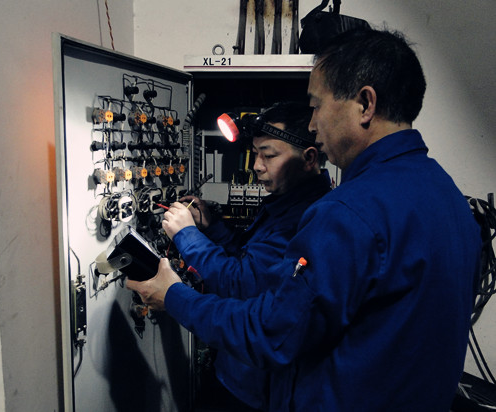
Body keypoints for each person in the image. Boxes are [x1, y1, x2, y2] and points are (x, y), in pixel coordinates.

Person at [127, 28, 481, 411]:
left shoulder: (349, 212)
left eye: (316, 105)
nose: (312, 124)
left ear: (365, 104)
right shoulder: (448, 195)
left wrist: (174, 296)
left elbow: (272, 333)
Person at [163, 102, 331, 411]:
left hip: (253, 387)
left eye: (269, 155)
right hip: (238, 372)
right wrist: (213, 228)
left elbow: (242, 283)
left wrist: (186, 235)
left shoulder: (306, 218)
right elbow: (250, 260)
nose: (256, 166)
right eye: (255, 154)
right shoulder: (284, 203)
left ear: (308, 159)